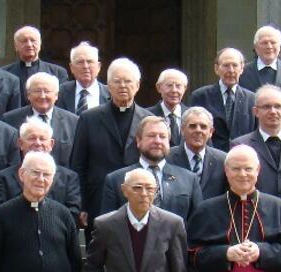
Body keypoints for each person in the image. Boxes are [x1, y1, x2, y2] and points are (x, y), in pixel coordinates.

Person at [70, 57, 152, 225]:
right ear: (108, 86)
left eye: (128, 81)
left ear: (137, 86)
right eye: (117, 81)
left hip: (138, 201)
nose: (122, 86)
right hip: (98, 201)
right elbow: (78, 165)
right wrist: (82, 204)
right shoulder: (89, 118)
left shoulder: (149, 120)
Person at [99, 116, 202, 220]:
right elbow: (108, 227)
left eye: (162, 136)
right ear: (138, 141)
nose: (157, 141)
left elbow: (198, 224)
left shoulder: (189, 180)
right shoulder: (116, 180)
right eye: (151, 136)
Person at [0, 120, 82, 214]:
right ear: (20, 143)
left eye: (42, 139)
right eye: (32, 138)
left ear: (51, 144)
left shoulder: (68, 178)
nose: (38, 143)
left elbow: (73, 213)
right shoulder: (3, 178)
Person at [2, 72, 79, 167]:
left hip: (62, 180)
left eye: (47, 91)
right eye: (37, 91)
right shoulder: (10, 120)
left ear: (56, 95)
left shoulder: (73, 122)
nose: (42, 96)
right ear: (28, 95)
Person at [187, 48, 256, 151]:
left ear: (241, 69)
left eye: (235, 65)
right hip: (211, 158)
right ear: (216, 68)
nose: (231, 70)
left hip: (241, 159)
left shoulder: (252, 99)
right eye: (226, 65)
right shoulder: (200, 96)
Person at [167, 107, 228, 200]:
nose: (198, 130)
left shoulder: (223, 160)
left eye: (203, 127)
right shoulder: (167, 158)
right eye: (192, 126)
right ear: (182, 130)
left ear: (211, 132)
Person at [2, 25, 68, 89]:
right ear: (16, 46)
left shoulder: (57, 72)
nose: (29, 45)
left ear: (40, 44)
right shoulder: (4, 73)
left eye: (33, 40)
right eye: (24, 41)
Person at [240, 25, 281, 92]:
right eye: (264, 43)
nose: (269, 47)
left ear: (279, 46)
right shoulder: (242, 72)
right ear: (256, 47)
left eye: (273, 43)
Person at [56, 41, 111, 114]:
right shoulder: (59, 92)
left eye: (90, 62)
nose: (85, 66)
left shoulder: (111, 94)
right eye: (80, 62)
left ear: (98, 67)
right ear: (71, 67)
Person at [147, 68, 188, 147]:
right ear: (158, 88)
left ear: (185, 88)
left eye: (178, 86)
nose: (174, 90)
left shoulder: (193, 117)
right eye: (169, 85)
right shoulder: (146, 115)